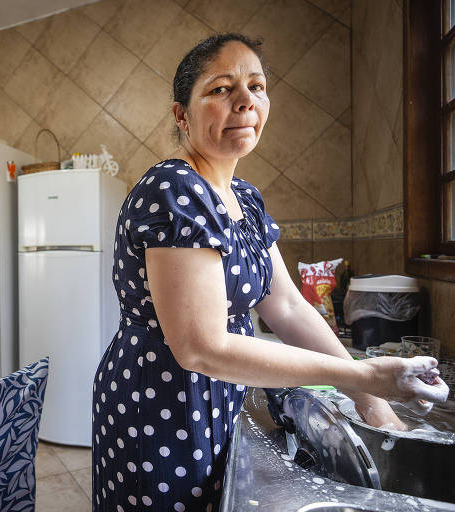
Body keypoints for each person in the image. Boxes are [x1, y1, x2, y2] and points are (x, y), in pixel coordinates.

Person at [91, 33, 449, 512]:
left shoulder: (247, 200)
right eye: (221, 89)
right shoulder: (173, 189)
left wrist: (368, 397)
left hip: (220, 394)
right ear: (182, 115)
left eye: (256, 86)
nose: (244, 101)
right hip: (161, 403)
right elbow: (202, 347)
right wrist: (363, 375)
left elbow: (288, 306)